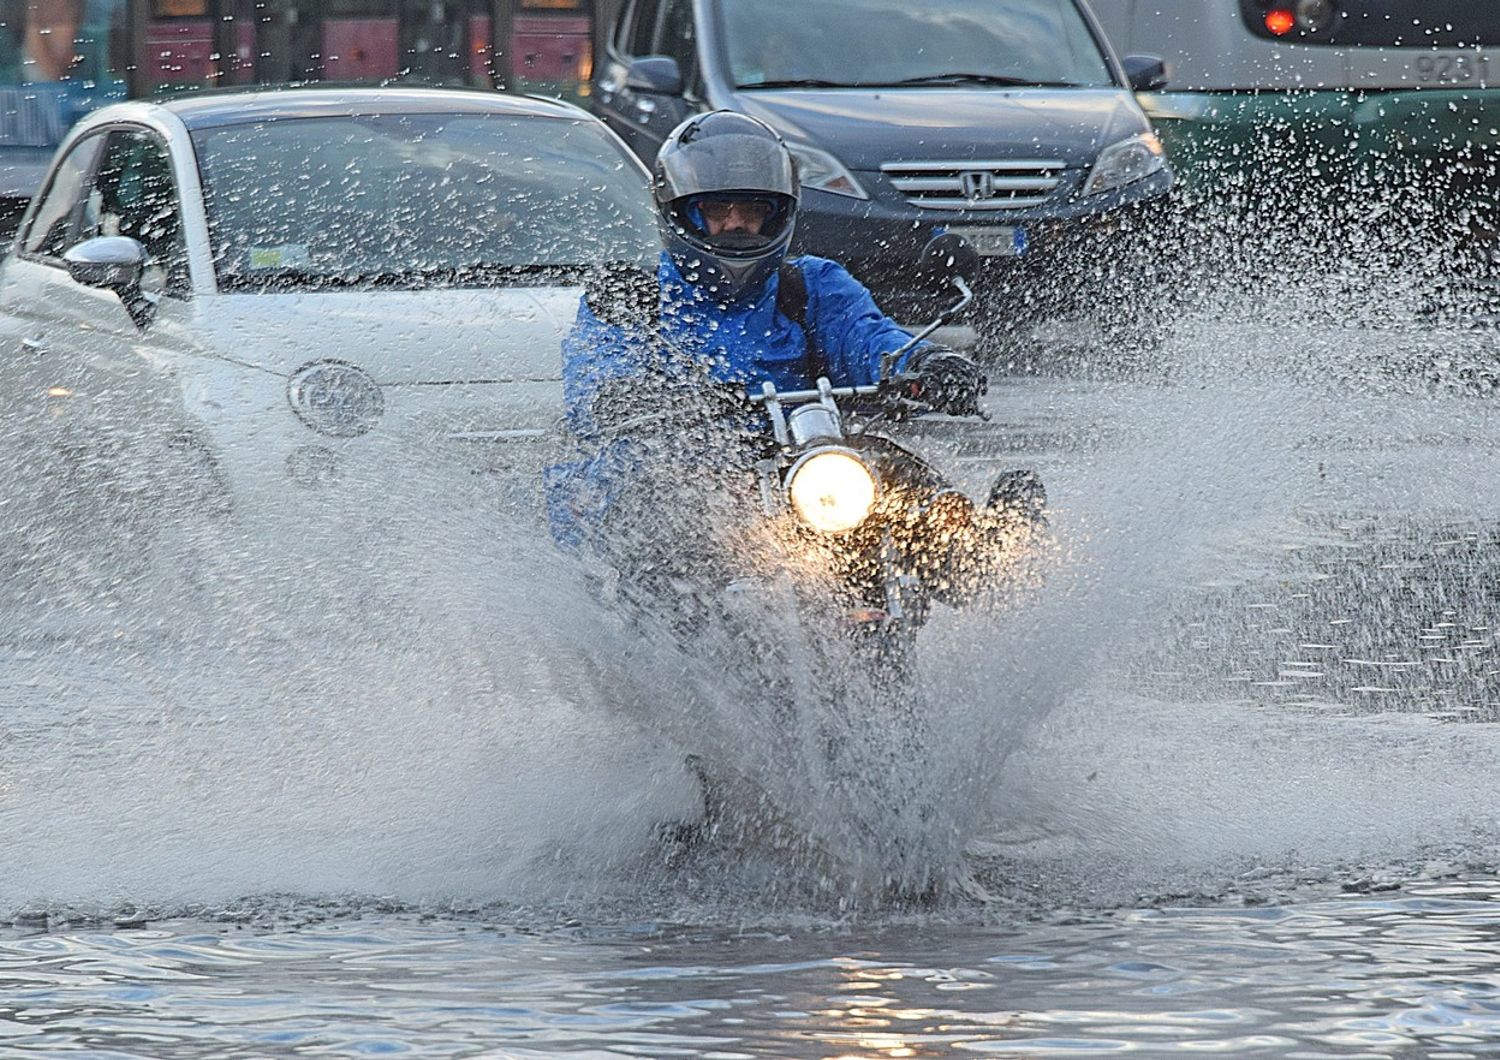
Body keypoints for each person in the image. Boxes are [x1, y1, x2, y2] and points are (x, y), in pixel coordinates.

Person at [546, 111, 992, 545]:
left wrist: (929, 361)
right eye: (718, 208)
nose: (736, 223)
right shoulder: (631, 298)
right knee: (657, 507)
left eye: (754, 210)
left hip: (804, 463)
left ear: (778, 213)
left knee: (901, 481)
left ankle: (987, 553)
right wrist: (627, 397)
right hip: (672, 468)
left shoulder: (812, 283)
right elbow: (599, 369)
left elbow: (870, 336)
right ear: (681, 212)